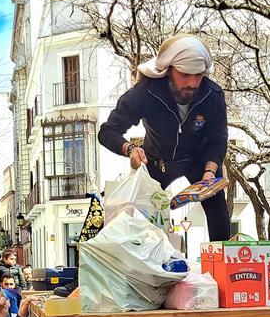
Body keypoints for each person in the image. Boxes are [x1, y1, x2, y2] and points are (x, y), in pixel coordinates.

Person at [98, 34, 231, 241]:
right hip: (157, 160)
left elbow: (218, 139)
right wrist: (130, 149)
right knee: (141, 218)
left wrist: (210, 169)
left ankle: (220, 265)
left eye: (198, 75)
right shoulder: (146, 92)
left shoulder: (212, 95)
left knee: (219, 215)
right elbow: (107, 132)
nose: (193, 83)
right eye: (185, 75)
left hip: (199, 161)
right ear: (169, 70)